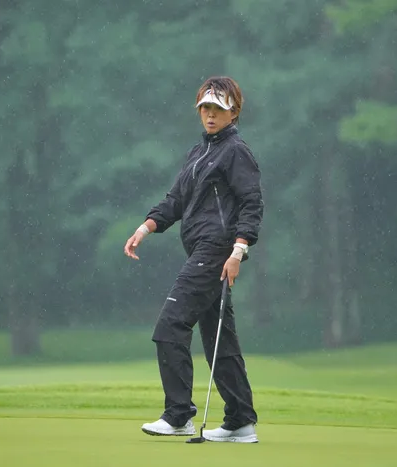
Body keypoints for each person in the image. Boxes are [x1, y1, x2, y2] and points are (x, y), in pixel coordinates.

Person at [123, 76, 264, 443]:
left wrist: (238, 250)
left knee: (170, 327)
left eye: (218, 109)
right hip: (205, 250)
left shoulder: (236, 151)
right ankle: (240, 421)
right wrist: (146, 227)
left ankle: (178, 415)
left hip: (216, 250)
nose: (210, 115)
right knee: (220, 340)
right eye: (205, 108)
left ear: (233, 113)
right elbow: (176, 200)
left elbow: (251, 202)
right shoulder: (198, 153)